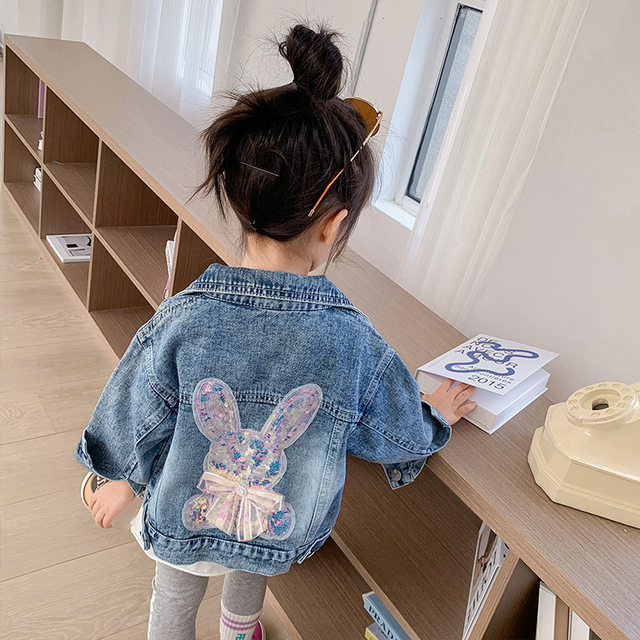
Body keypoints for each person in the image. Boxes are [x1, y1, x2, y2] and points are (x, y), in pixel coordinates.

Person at [74, 23, 476, 640]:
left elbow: (141, 410)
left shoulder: (185, 318)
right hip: (273, 520)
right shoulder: (351, 340)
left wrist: (120, 478)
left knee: (174, 595)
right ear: (333, 225)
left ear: (238, 199)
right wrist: (436, 415)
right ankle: (240, 632)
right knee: (253, 560)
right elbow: (391, 431)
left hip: (187, 509)